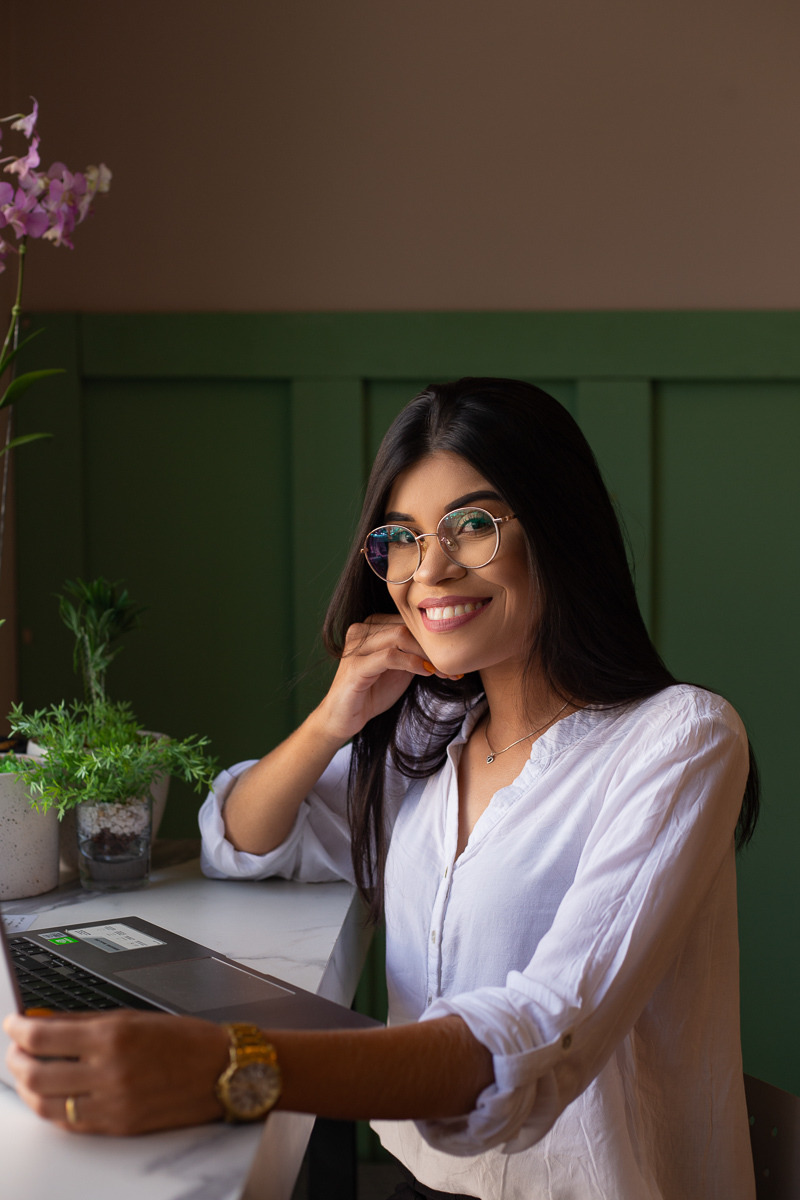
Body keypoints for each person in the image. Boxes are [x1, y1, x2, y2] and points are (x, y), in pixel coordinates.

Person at [4, 378, 758, 1200]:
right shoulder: (434, 741)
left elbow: (543, 1033)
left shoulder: (680, 739)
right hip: (415, 1182)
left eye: (472, 525)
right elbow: (243, 840)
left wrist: (229, 1064)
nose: (429, 569)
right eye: (401, 537)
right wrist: (334, 718)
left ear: (560, 528)